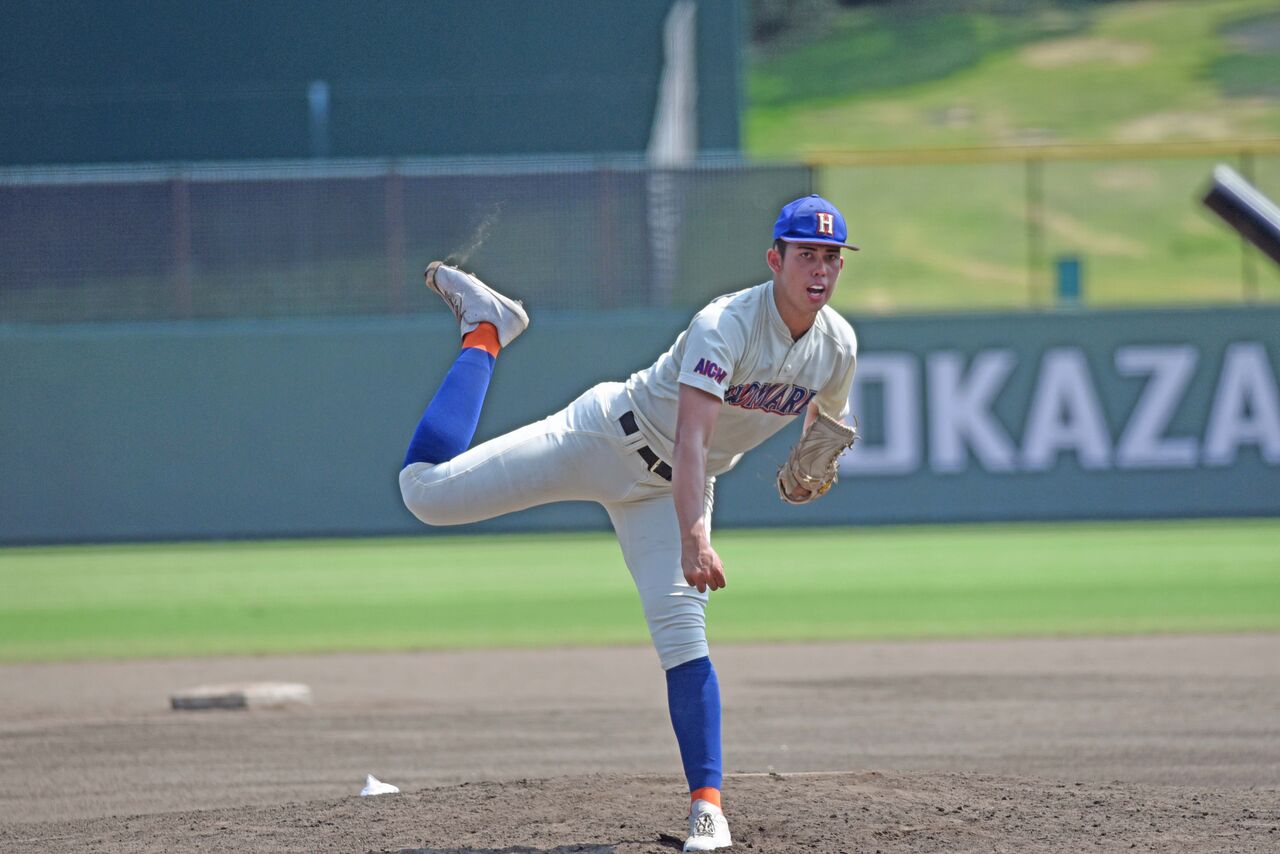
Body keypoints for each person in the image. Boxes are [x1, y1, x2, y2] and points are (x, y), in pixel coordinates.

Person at [399, 194, 860, 852]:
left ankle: (707, 811)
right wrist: (695, 536)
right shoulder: (725, 324)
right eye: (806, 254)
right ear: (774, 260)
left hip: (669, 494)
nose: (820, 268)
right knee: (424, 495)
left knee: (683, 637)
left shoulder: (838, 345)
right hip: (605, 438)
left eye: (831, 257)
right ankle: (486, 330)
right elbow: (694, 438)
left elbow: (828, 417)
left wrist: (815, 452)